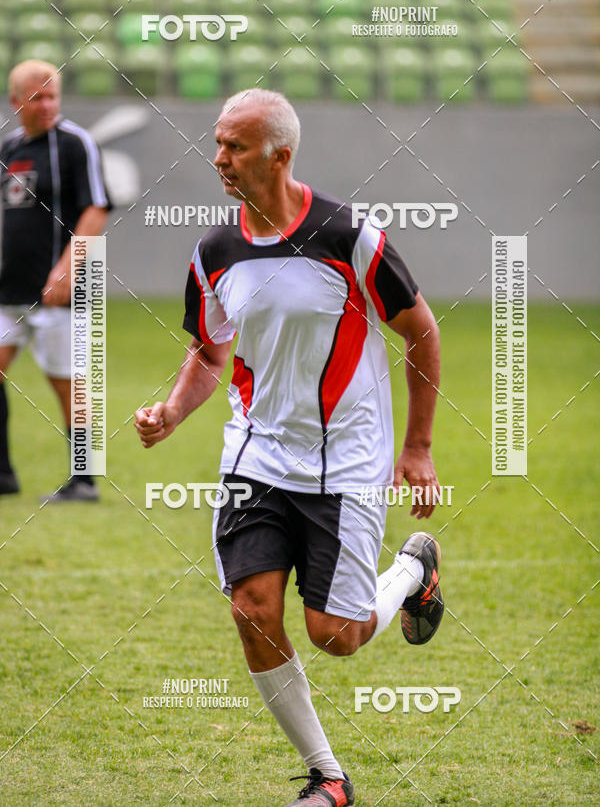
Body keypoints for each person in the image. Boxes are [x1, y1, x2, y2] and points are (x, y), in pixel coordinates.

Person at [134, 89, 444, 806]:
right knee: (252, 608)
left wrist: (418, 448)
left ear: (281, 154)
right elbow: (210, 352)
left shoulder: (350, 237)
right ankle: (328, 777)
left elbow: (421, 333)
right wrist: (174, 411)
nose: (219, 159)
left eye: (234, 147)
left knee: (336, 634)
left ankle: (410, 571)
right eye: (217, 143)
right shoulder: (215, 251)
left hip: (347, 462)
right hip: (257, 457)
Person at [0, 59, 111, 501]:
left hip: (59, 291)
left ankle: (83, 479)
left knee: (70, 384)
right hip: (8, 290)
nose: (47, 105)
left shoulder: (74, 144)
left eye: (53, 96)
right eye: (37, 97)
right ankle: (3, 475)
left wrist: (70, 265)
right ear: (16, 102)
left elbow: (96, 207)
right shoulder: (9, 148)